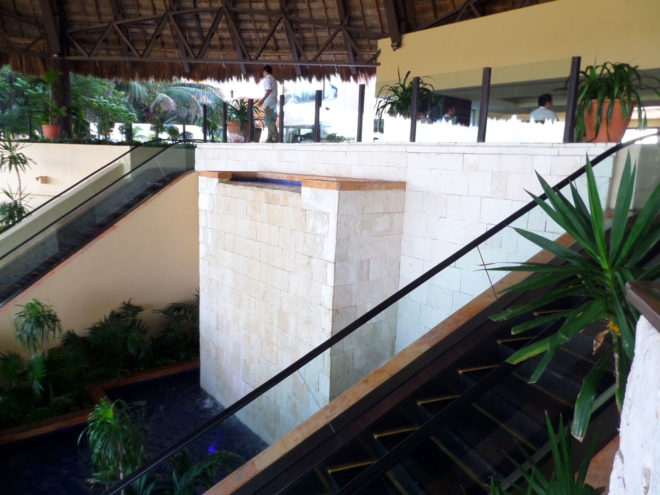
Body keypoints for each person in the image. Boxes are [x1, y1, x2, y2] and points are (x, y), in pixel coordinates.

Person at [257, 65, 278, 142]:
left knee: (270, 121)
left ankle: (276, 137)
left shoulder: (267, 79)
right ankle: (269, 138)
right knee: (270, 120)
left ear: (265, 71)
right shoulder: (273, 79)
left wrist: (262, 100)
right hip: (274, 101)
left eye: (263, 72)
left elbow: (268, 90)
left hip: (269, 102)